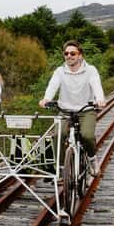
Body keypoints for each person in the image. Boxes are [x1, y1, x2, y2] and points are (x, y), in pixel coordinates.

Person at [38, 39, 105, 176]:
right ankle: (61, 167)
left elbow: (96, 85)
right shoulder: (60, 71)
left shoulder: (90, 70)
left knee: (87, 135)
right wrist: (46, 98)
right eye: (66, 53)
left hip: (86, 110)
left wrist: (100, 99)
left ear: (80, 55)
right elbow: (53, 85)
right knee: (57, 135)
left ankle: (92, 159)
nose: (69, 56)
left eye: (72, 53)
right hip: (65, 110)